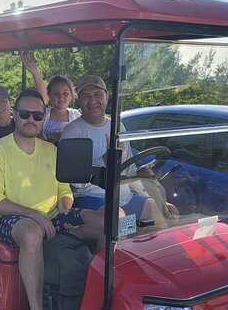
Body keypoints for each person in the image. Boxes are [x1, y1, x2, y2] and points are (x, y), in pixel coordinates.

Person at [0, 90, 104, 310]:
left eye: (37, 115)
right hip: (11, 220)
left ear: (44, 118)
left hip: (51, 216)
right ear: (15, 114)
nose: (30, 119)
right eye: (24, 113)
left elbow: (64, 189)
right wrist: (35, 216)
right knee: (32, 231)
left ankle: (97, 306)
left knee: (105, 224)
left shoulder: (51, 149)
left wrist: (65, 206)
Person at [59, 75, 163, 224]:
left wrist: (145, 192)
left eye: (97, 94)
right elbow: (74, 181)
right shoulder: (72, 132)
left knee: (157, 208)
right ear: (79, 100)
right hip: (91, 197)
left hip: (122, 195)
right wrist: (104, 161)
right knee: (117, 219)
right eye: (86, 96)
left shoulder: (117, 127)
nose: (92, 100)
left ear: (107, 96)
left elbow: (129, 170)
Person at [21, 55, 81, 143]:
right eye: (56, 94)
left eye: (65, 94)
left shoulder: (76, 116)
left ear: (72, 95)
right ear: (49, 95)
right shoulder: (43, 114)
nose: (61, 98)